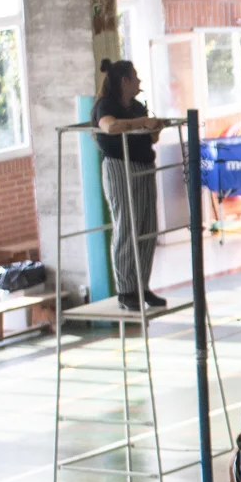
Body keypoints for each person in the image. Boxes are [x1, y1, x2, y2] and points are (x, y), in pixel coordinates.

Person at [91, 59, 172, 312]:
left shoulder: (136, 106)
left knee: (147, 226)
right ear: (124, 81)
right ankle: (126, 289)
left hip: (143, 165)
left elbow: (149, 136)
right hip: (120, 167)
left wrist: (155, 127)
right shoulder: (106, 105)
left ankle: (141, 285)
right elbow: (110, 126)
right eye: (135, 77)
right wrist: (141, 123)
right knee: (127, 225)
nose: (139, 82)